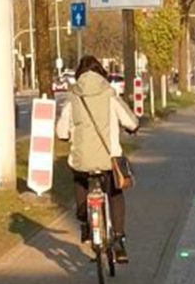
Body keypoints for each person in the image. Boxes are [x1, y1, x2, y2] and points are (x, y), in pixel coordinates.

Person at [56, 55, 139, 263]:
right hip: (108, 160)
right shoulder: (109, 94)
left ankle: (85, 225)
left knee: (79, 178)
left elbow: (61, 131)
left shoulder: (73, 97)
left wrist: (67, 136)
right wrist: (133, 128)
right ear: (101, 72)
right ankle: (119, 239)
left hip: (82, 160)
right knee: (115, 193)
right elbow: (130, 121)